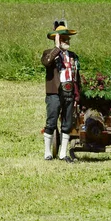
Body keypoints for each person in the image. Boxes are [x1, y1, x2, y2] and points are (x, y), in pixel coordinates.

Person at [41, 19, 81, 163]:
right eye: (64, 38)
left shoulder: (73, 56)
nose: (67, 41)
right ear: (57, 39)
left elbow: (77, 77)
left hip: (69, 92)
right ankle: (47, 153)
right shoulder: (49, 53)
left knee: (67, 123)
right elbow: (47, 62)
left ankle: (63, 153)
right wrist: (57, 48)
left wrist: (77, 96)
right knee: (51, 121)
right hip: (54, 93)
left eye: (67, 38)